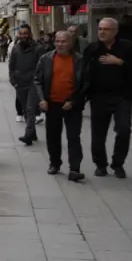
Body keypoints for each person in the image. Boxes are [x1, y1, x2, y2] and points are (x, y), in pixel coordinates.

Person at [84, 17, 132, 178]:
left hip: (122, 96)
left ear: (115, 32)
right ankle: (100, 164)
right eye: (100, 29)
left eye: (106, 29)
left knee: (124, 129)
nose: (102, 32)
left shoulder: (127, 47)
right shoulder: (92, 49)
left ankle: (118, 163)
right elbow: (83, 73)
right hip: (99, 97)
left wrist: (120, 62)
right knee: (98, 133)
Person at [35, 30, 88, 182]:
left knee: (73, 137)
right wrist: (41, 99)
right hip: (52, 104)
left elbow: (85, 83)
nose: (60, 44)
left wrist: (73, 100)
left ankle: (75, 168)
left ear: (71, 43)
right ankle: (55, 163)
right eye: (57, 41)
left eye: (63, 41)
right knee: (52, 136)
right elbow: (37, 80)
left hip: (72, 105)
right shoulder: (46, 59)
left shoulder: (79, 59)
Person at [8, 24, 43, 145]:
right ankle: (32, 133)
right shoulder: (16, 48)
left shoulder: (38, 48)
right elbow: (11, 65)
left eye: (25, 33)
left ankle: (28, 134)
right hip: (20, 83)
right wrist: (13, 80)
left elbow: (41, 67)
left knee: (30, 108)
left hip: (33, 83)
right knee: (25, 109)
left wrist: (38, 81)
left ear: (30, 34)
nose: (23, 36)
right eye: (21, 33)